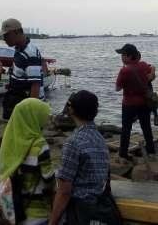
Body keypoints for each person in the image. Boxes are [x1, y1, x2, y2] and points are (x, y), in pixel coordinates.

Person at [50, 91, 120, 225]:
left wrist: (52, 222)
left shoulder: (73, 142)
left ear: (72, 110)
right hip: (100, 206)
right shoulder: (100, 139)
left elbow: (64, 191)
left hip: (79, 211)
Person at [0, 98, 54, 224]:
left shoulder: (10, 143)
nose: (46, 120)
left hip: (16, 211)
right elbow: (49, 179)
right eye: (43, 116)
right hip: (37, 214)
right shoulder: (39, 145)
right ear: (34, 117)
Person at [115, 43, 156, 163]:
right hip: (144, 102)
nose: (121, 57)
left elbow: (117, 88)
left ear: (128, 56)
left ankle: (123, 155)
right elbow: (152, 72)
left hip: (129, 104)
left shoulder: (124, 71)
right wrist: (151, 73)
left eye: (122, 55)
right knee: (146, 127)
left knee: (126, 129)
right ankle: (151, 152)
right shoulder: (143, 65)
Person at [0, 18, 45, 120]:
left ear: (16, 32)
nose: (4, 39)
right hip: (18, 100)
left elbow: (35, 85)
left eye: (6, 35)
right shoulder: (19, 49)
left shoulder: (30, 53)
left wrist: (31, 113)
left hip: (27, 106)